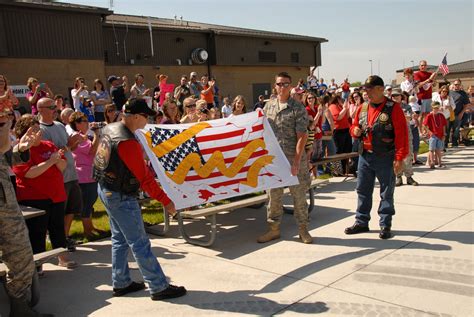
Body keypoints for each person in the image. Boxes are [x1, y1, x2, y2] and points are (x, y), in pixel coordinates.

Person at [93, 98, 186, 300]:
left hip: (106, 189)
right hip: (120, 195)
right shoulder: (127, 142)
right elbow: (145, 179)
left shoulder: (111, 128)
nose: (148, 120)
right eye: (146, 116)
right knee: (139, 242)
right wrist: (167, 202)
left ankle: (121, 282)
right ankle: (159, 286)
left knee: (119, 239)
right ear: (136, 116)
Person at [345, 75, 408, 240]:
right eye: (366, 89)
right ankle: (361, 221)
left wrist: (400, 158)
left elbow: (402, 135)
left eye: (370, 89)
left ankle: (385, 224)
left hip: (385, 156)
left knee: (386, 192)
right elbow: (354, 125)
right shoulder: (362, 107)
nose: (367, 92)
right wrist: (354, 131)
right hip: (365, 156)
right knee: (363, 190)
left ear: (380, 89)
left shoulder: (393, 108)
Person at [13, 115, 77, 268]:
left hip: (56, 194)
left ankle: (63, 257)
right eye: (33, 130)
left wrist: (57, 161)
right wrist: (51, 162)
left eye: (38, 129)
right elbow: (29, 173)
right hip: (35, 197)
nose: (38, 133)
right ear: (23, 132)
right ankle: (38, 265)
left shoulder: (48, 145)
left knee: (57, 228)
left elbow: (62, 167)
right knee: (37, 232)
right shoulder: (20, 150)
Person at [258, 72, 312, 244]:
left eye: (286, 84)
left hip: (293, 159)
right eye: (279, 84)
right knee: (273, 196)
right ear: (275, 86)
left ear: (291, 86)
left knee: (299, 196)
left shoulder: (297, 108)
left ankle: (303, 230)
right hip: (274, 160)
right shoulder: (268, 107)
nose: (282, 87)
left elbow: (302, 136)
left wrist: (296, 161)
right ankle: (273, 229)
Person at [37, 98, 84, 250]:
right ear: (40, 109)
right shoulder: (40, 130)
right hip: (58, 178)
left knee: (72, 209)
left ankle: (65, 237)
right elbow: (50, 155)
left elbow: (69, 150)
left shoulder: (59, 126)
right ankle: (56, 240)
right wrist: (68, 146)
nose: (55, 110)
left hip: (72, 174)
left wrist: (74, 143)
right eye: (51, 108)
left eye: (55, 107)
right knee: (58, 213)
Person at [69, 112, 104, 238]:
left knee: (89, 202)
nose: (87, 122)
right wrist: (96, 134)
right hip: (84, 176)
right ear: (77, 124)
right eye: (83, 120)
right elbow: (92, 150)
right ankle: (87, 231)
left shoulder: (83, 136)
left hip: (88, 174)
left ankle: (90, 227)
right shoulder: (77, 137)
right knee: (86, 203)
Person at [391, 89, 418, 186]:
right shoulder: (390, 107)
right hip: (394, 133)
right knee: (396, 155)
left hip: (406, 132)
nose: (395, 98)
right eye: (393, 96)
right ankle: (398, 177)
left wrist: (401, 116)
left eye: (397, 95)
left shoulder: (407, 106)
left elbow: (409, 118)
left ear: (401, 96)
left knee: (408, 154)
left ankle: (409, 176)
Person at [423, 101, 447, 168]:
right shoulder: (429, 116)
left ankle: (440, 163)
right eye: (435, 108)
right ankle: (432, 162)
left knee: (439, 149)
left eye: (437, 108)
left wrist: (444, 134)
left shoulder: (441, 115)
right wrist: (429, 132)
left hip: (440, 135)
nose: (436, 109)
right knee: (431, 149)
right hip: (433, 135)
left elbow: (444, 125)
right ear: (432, 108)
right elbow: (424, 125)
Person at [414, 60, 438, 126]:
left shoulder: (430, 74)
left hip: (429, 97)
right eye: (422, 65)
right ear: (419, 66)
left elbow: (434, 85)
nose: (423, 67)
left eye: (424, 65)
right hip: (421, 98)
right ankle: (420, 131)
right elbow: (418, 85)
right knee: (421, 115)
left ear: (426, 66)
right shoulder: (417, 74)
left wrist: (434, 80)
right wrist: (428, 80)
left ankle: (426, 130)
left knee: (427, 115)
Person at [450, 79, 471, 147]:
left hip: (458, 114)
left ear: (460, 85)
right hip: (448, 114)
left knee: (456, 129)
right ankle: (445, 143)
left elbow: (466, 105)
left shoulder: (463, 93)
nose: (457, 86)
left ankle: (454, 142)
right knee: (448, 129)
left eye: (458, 84)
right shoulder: (449, 92)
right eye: (455, 84)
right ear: (453, 85)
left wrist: (461, 113)